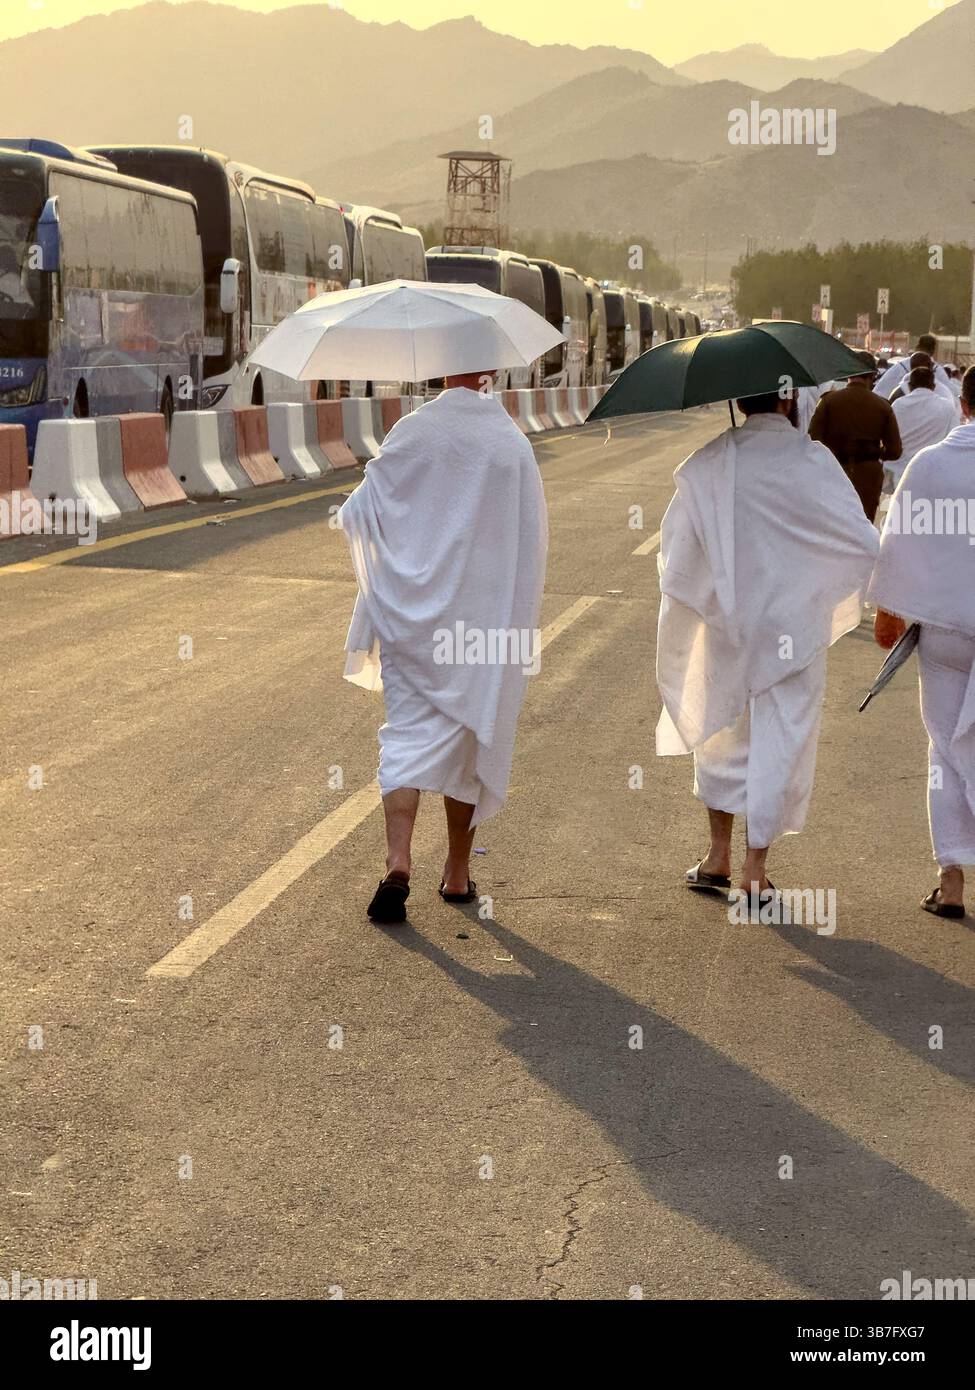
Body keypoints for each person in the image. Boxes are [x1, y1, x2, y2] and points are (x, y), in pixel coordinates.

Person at [657, 388, 879, 905]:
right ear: (788, 400)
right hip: (793, 631)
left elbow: (678, 554)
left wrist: (711, 596)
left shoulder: (707, 463)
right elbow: (861, 541)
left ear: (739, 399)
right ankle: (755, 869)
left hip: (728, 626)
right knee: (784, 736)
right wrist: (819, 587)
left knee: (721, 732)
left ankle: (717, 856)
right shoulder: (813, 461)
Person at [339, 373, 547, 924]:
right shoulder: (511, 444)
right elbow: (529, 543)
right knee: (469, 742)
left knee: (405, 735)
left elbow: (359, 513)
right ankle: (457, 872)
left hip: (412, 620)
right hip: (481, 625)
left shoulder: (413, 431)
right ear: (490, 374)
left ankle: (398, 860)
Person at [869, 366, 975, 918]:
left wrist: (889, 613)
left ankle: (952, 880)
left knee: (945, 747)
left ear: (964, 405)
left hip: (943, 636)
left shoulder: (929, 464)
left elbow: (897, 545)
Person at [808, 351, 902, 520]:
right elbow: (895, 451)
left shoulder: (828, 401)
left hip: (833, 472)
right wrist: (875, 452)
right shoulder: (883, 406)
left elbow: (812, 439)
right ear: (872, 376)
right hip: (868, 477)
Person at [888, 365, 957, 490]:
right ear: (933, 386)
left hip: (899, 472)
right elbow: (952, 439)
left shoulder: (898, 405)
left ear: (909, 386)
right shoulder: (947, 407)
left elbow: (889, 438)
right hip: (932, 473)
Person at [875, 334, 950, 398]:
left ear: (917, 347)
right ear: (933, 350)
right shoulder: (939, 372)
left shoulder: (900, 367)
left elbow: (879, 393)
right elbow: (952, 399)